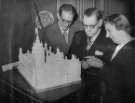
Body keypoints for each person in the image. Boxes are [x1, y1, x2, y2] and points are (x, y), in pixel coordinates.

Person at [68, 8, 115, 103]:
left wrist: (101, 65)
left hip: (99, 92)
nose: (87, 30)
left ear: (100, 23)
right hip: (74, 88)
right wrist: (78, 64)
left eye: (92, 26)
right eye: (85, 25)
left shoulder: (110, 39)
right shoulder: (78, 35)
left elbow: (116, 71)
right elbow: (68, 57)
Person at [98, 14, 135, 103]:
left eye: (109, 31)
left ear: (121, 30)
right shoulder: (120, 46)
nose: (107, 35)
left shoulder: (132, 52)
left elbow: (130, 91)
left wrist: (102, 66)